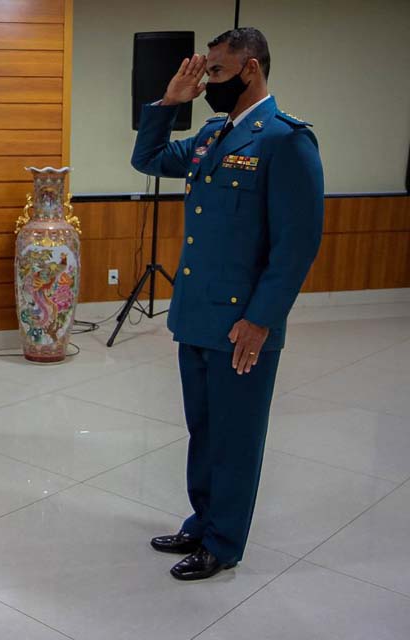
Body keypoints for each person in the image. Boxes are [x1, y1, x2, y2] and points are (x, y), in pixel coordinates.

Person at [130, 28, 323, 580]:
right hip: (197, 316)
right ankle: (204, 518)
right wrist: (169, 102)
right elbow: (148, 159)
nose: (207, 81)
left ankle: (224, 542)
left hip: (242, 324)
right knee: (205, 429)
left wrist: (261, 321)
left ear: (252, 70)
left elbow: (296, 246)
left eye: (216, 72)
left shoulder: (285, 140)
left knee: (236, 436)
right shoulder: (215, 135)